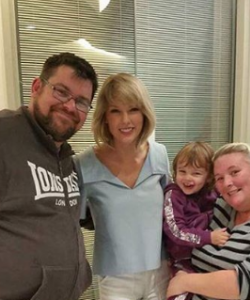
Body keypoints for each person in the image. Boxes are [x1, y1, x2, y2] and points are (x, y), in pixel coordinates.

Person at [0, 52, 98, 300]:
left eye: (82, 101)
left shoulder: (65, 157)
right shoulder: (5, 135)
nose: (69, 106)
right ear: (36, 87)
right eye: (61, 92)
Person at [74, 73, 171, 300]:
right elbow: (73, 225)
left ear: (144, 113)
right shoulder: (83, 165)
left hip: (160, 271)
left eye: (133, 109)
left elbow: (172, 213)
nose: (126, 120)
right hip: (115, 278)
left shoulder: (160, 155)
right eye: (116, 111)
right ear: (105, 117)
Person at [166, 142, 250, 300]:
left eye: (234, 172)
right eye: (219, 178)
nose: (227, 183)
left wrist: (185, 281)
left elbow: (249, 284)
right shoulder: (223, 204)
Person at [163, 141, 229, 300]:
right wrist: (209, 237)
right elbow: (175, 230)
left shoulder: (214, 193)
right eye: (182, 171)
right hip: (182, 259)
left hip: (208, 256)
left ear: (208, 177)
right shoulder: (173, 195)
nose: (187, 178)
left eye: (196, 173)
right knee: (181, 293)